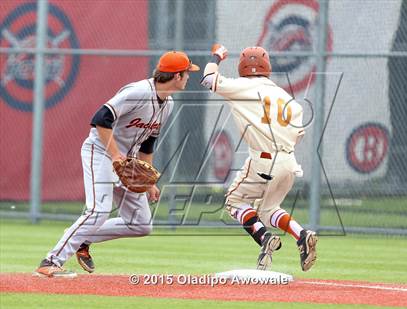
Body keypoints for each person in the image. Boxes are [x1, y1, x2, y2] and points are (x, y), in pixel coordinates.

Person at [35, 51, 200, 277]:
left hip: (127, 163)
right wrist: (115, 155)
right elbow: (101, 118)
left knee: (141, 224)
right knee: (98, 210)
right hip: (101, 152)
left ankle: (82, 238)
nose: (189, 77)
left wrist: (149, 180)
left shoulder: (168, 104)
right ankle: (50, 262)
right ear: (177, 76)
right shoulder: (139, 92)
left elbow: (148, 142)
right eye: (187, 73)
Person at [201, 44, 317, 271]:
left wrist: (217, 55)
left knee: (234, 201)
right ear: (268, 67)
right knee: (268, 209)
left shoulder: (240, 86)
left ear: (242, 66)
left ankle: (264, 238)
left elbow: (208, 79)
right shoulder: (288, 99)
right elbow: (298, 135)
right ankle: (301, 234)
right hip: (289, 161)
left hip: (263, 159)